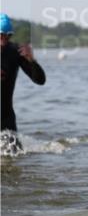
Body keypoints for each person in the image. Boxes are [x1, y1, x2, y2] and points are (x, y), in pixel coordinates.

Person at [1, 14, 47, 153]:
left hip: (6, 119)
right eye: (1, 34)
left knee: (14, 162)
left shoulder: (16, 52)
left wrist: (31, 60)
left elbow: (40, 80)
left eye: (8, 35)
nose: (4, 39)